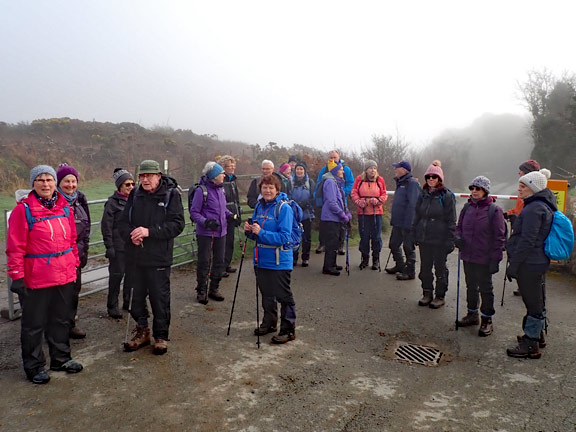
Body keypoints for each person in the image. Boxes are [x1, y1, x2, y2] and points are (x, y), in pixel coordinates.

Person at [6, 165, 83, 384]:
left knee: (60, 320)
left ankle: (61, 358)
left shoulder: (65, 207)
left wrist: (74, 264)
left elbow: (71, 241)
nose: (46, 184)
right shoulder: (24, 210)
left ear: (54, 183)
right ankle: (34, 366)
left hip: (63, 275)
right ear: (33, 184)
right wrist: (17, 276)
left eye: (49, 179)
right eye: (40, 180)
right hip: (36, 278)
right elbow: (15, 247)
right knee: (34, 324)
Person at [118, 160, 185, 355]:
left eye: (149, 176)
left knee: (159, 298)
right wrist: (132, 234)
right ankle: (142, 331)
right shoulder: (134, 196)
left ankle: (161, 336)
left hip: (159, 257)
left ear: (159, 176)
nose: (145, 179)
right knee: (135, 297)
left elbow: (177, 224)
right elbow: (122, 224)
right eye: (142, 176)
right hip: (136, 256)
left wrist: (149, 232)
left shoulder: (171, 195)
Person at [506, 168, 555, 359]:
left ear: (532, 187)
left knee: (533, 303)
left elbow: (528, 240)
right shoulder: (540, 205)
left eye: (522, 185)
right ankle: (538, 336)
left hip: (530, 263)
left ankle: (531, 344)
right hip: (537, 261)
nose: (519, 189)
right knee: (537, 300)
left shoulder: (534, 208)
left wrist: (514, 265)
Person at [245, 174, 297, 344]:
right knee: (266, 294)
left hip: (279, 261)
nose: (267, 190)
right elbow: (256, 235)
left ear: (277, 189)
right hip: (261, 259)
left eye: (271, 188)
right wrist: (250, 231)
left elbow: (284, 237)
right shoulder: (259, 207)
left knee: (283, 295)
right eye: (264, 187)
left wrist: (260, 232)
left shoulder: (284, 208)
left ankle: (288, 329)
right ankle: (270, 323)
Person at [455, 176, 506, 336]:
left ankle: (487, 320)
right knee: (471, 286)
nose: (474, 191)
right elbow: (459, 227)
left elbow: (499, 237)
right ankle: (472, 314)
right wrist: (457, 238)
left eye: (478, 188)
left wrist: (496, 259)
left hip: (484, 257)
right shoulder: (466, 207)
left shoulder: (494, 210)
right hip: (468, 255)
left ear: (485, 191)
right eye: (472, 188)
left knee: (485, 288)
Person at [411, 161, 456, 308]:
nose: (431, 179)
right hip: (424, 238)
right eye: (428, 176)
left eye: (434, 177)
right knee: (425, 267)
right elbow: (416, 215)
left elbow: (451, 219)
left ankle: (440, 295)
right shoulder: (423, 194)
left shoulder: (447, 195)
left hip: (440, 239)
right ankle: (427, 293)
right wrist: (413, 233)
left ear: (440, 179)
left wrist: (450, 239)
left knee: (440, 268)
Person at [57, 163, 91, 339]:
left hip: (76, 255)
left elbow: (87, 228)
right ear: (58, 182)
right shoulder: (53, 201)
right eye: (66, 181)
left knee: (73, 291)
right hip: (58, 257)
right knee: (58, 294)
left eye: (73, 181)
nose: (70, 185)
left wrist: (84, 250)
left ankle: (70, 324)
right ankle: (55, 329)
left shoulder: (80, 200)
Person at [189, 161, 231, 304]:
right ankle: (201, 290)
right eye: (221, 173)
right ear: (213, 176)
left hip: (221, 232)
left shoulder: (221, 190)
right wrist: (206, 222)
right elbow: (194, 212)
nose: (224, 175)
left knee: (219, 261)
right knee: (204, 261)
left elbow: (222, 209)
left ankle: (214, 289)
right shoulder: (202, 191)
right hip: (206, 233)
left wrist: (231, 215)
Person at [101, 168, 135, 318]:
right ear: (120, 186)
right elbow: (106, 226)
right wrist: (109, 246)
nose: (131, 187)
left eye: (133, 184)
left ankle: (128, 302)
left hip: (132, 245)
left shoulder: (135, 201)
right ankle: (112, 306)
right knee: (116, 276)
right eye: (127, 184)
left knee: (131, 276)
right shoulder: (112, 203)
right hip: (118, 246)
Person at [504, 159, 540, 296]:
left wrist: (516, 217)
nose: (518, 172)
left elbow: (527, 212)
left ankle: (529, 288)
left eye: (521, 170)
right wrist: (508, 213)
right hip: (519, 225)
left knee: (524, 256)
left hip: (525, 229)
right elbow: (518, 208)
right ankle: (522, 285)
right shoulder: (524, 187)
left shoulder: (532, 190)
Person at [385, 160, 421, 279]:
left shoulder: (412, 184)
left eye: (397, 168)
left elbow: (413, 204)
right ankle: (400, 265)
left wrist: (410, 223)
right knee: (393, 244)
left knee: (408, 247)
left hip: (407, 223)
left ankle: (410, 272)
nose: (395, 169)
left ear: (404, 170)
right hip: (398, 222)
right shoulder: (400, 183)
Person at [315, 150, 354, 254]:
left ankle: (340, 246)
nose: (332, 159)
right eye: (330, 158)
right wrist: (318, 198)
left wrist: (342, 193)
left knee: (340, 226)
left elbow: (351, 183)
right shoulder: (324, 170)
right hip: (328, 201)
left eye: (334, 157)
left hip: (341, 200)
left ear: (339, 157)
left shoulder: (345, 169)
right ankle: (323, 244)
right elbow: (319, 184)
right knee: (326, 226)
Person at [351, 160, 387, 270]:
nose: (373, 170)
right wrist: (359, 202)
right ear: (366, 170)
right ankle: (364, 259)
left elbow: (384, 194)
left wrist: (378, 201)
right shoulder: (359, 179)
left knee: (376, 237)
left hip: (376, 213)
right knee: (364, 237)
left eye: (375, 168)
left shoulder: (380, 180)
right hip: (363, 213)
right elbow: (354, 193)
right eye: (370, 168)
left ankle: (376, 260)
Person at [320, 161, 351, 276]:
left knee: (335, 242)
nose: (342, 171)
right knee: (331, 243)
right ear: (334, 171)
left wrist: (347, 212)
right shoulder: (330, 182)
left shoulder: (337, 183)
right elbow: (332, 202)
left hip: (335, 218)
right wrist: (342, 214)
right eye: (340, 169)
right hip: (330, 218)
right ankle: (327, 267)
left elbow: (341, 200)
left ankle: (332, 263)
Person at [217, 155, 242, 278]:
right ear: (223, 167)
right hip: (223, 213)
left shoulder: (233, 180)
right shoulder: (221, 180)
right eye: (229, 166)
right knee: (223, 242)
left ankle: (227, 263)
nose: (232, 168)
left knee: (230, 240)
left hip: (233, 212)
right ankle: (220, 267)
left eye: (233, 166)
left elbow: (236, 198)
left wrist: (238, 213)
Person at [289, 161, 315, 267]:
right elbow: (287, 196)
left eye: (301, 169)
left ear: (305, 171)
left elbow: (314, 198)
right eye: (297, 169)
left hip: (307, 213)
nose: (299, 171)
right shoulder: (290, 182)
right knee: (294, 236)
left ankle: (305, 258)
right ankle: (294, 258)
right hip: (293, 214)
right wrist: (294, 205)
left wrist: (304, 204)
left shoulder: (310, 182)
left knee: (306, 237)